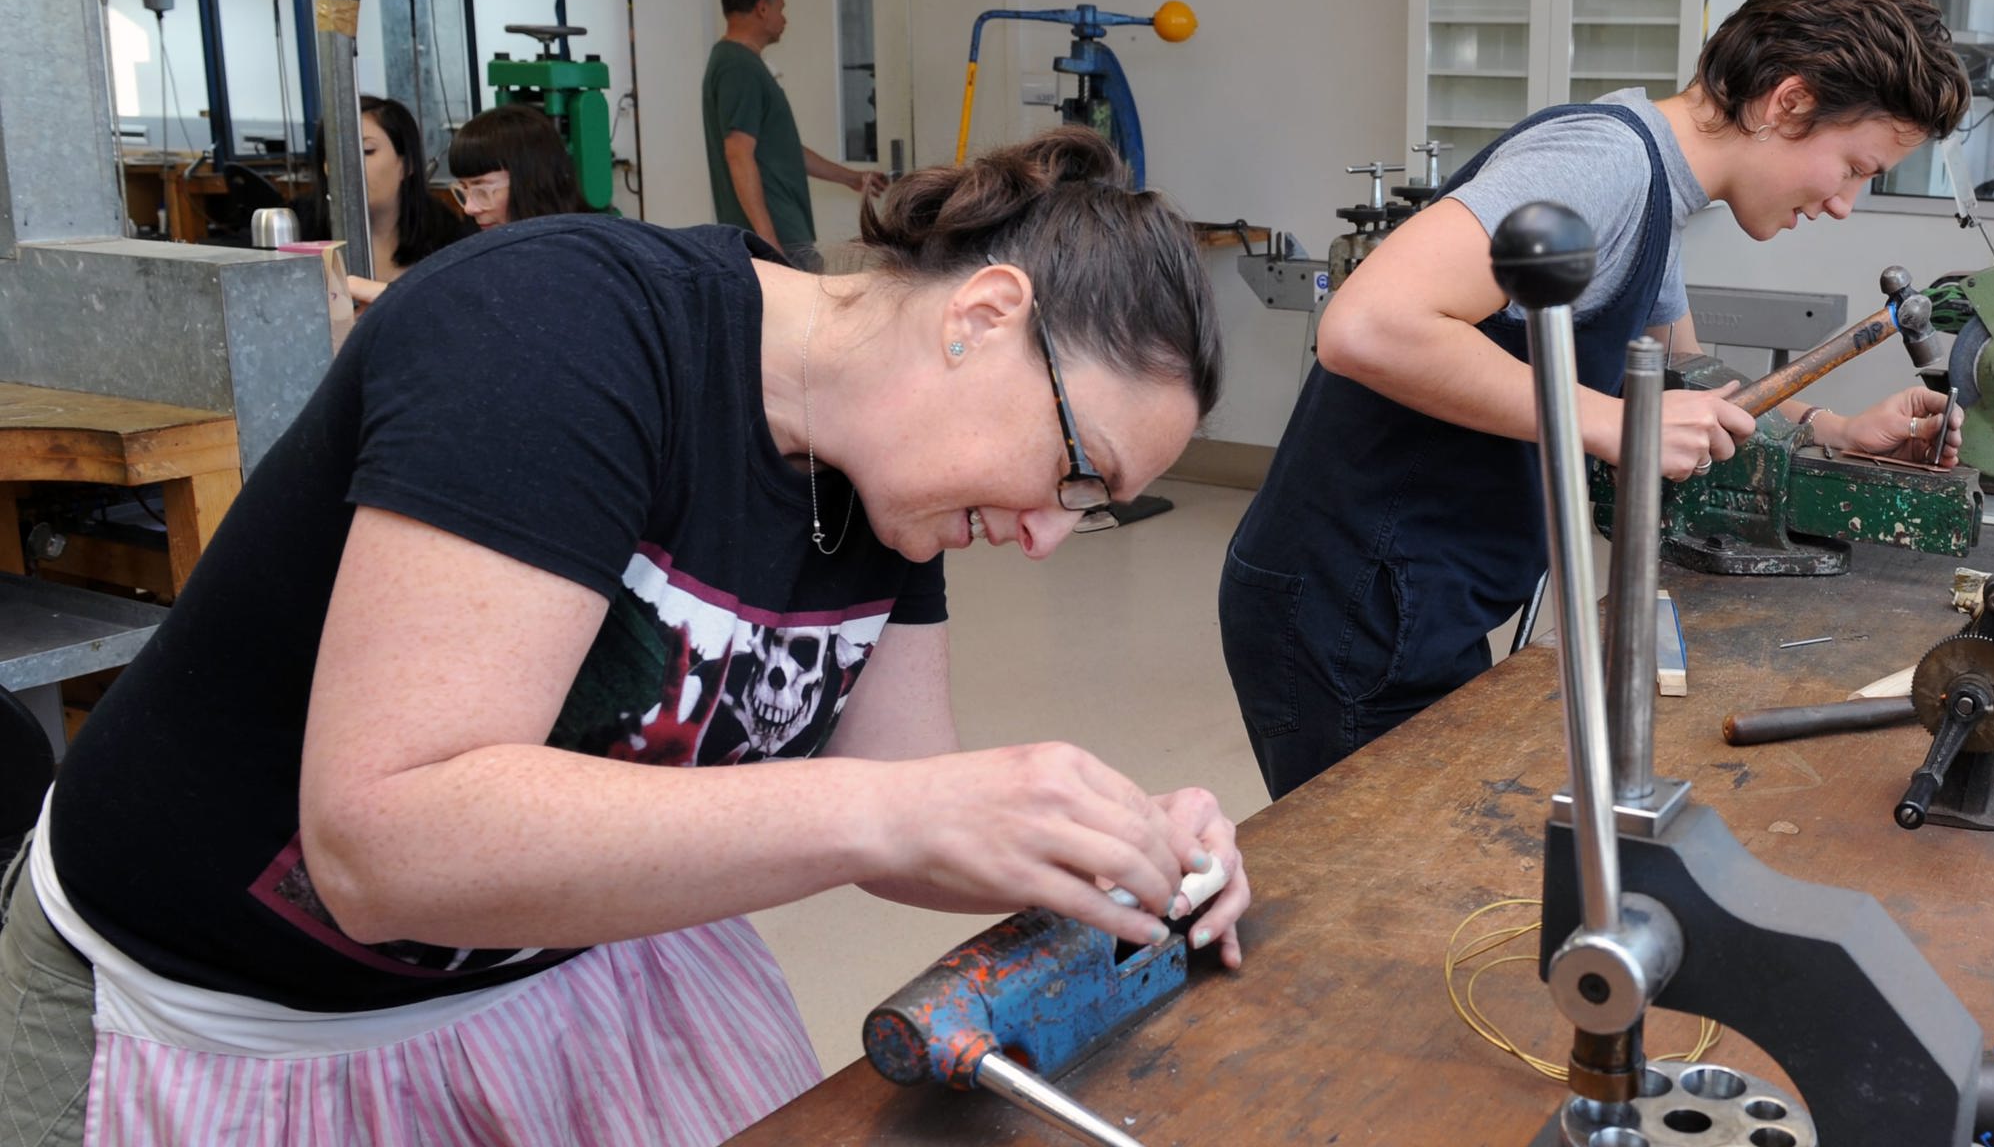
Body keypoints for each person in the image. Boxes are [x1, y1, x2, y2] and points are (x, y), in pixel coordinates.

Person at [0, 128, 1249, 1146]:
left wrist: (1122, 847)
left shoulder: (886, 486)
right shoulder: (561, 335)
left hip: (557, 982)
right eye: (1073, 472)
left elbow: (905, 812)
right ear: (981, 311)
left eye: (1088, 516)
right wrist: (898, 811)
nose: (1045, 535)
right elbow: (383, 848)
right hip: (217, 1021)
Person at [1220, 0, 1974, 799]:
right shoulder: (1605, 167)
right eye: (1856, 168)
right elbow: (1365, 326)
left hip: (1411, 594)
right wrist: (1612, 423)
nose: (1844, 204)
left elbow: (1685, 368)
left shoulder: (1657, 177)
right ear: (1787, 102)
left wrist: (1831, 432)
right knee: (1360, 905)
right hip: (1344, 603)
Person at [703, 0, 889, 272]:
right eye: (781, 8)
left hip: (783, 235)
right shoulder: (739, 68)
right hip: (777, 239)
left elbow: (785, 150)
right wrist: (768, 241)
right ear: (762, 8)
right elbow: (738, 153)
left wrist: (851, 178)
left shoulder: (740, 64)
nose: (784, 19)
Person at [305, 96, 470, 308]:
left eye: (367, 151)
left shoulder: (448, 239)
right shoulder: (302, 231)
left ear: (406, 164)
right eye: (332, 154)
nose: (347, 165)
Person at [447, 103, 596, 230]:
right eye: (464, 190)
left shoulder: (588, 249)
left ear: (535, 182)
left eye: (482, 191)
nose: (469, 208)